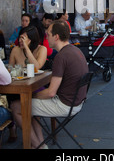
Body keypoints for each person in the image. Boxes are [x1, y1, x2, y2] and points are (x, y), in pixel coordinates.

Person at [28, 20, 89, 149]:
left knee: (18, 107)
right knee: (30, 106)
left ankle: (37, 145)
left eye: (48, 34)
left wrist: (32, 95)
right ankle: (40, 144)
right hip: (77, 102)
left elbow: (51, 92)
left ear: (56, 37)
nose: (46, 36)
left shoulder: (61, 57)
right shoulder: (75, 50)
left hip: (65, 105)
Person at [8, 25, 47, 142]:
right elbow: (10, 70)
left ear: (32, 40)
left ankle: (36, 142)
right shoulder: (15, 50)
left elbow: (37, 67)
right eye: (20, 38)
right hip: (18, 88)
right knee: (17, 105)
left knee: (31, 111)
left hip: (36, 88)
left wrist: (27, 49)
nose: (21, 41)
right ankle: (38, 143)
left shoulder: (41, 49)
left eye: (24, 39)